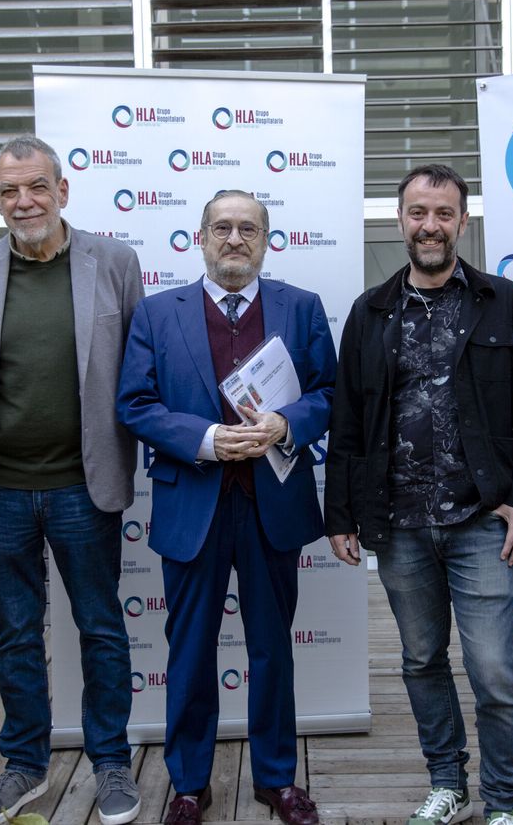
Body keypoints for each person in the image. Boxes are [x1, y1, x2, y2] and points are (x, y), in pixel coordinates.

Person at [325, 164, 513, 825]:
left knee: (495, 673)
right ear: (400, 220)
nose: (430, 226)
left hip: (482, 520)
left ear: (462, 221)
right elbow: (348, 418)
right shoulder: (369, 313)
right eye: (418, 213)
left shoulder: (502, 302)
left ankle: (505, 801)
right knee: (422, 661)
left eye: (444, 213)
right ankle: (447, 783)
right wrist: (342, 512)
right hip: (397, 525)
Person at [117, 190, 335, 825]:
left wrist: (285, 423)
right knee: (189, 651)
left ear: (267, 239)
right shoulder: (157, 314)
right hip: (195, 506)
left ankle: (276, 778)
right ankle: (188, 784)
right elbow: (135, 403)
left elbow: (328, 393)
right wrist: (206, 440)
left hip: (273, 506)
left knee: (272, 648)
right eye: (223, 228)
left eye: (248, 228)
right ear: (200, 237)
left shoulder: (301, 308)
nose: (235, 238)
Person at [0, 135, 145, 825]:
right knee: (15, 632)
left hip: (82, 488)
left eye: (36, 186)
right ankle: (24, 765)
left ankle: (112, 761)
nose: (23, 201)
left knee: (100, 626)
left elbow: (137, 371)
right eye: (8, 191)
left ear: (62, 190)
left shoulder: (115, 263)